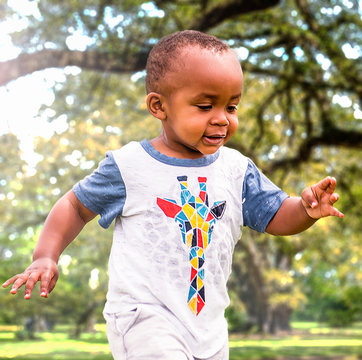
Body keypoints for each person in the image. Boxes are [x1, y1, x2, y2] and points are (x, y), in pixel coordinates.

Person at [2, 30, 344, 360]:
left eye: (232, 107)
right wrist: (46, 254)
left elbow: (276, 215)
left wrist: (306, 209)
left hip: (208, 325)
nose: (222, 119)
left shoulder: (237, 170)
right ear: (158, 106)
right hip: (143, 317)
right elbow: (75, 206)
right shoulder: (129, 166)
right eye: (205, 106)